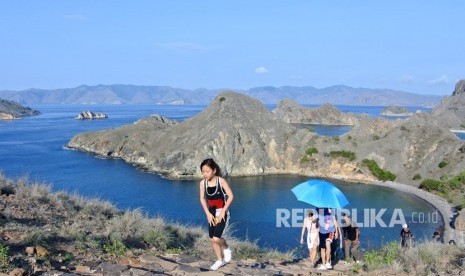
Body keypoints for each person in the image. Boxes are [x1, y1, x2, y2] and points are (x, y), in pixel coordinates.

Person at [199, 159, 234, 271]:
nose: (205, 174)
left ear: (214, 170)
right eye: (203, 172)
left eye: (207, 171)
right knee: (212, 239)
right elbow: (202, 198)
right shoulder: (202, 183)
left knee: (216, 238)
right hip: (212, 213)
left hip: (222, 212)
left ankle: (226, 248)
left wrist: (223, 211)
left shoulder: (221, 181)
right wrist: (208, 214)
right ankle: (220, 260)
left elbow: (231, 196)